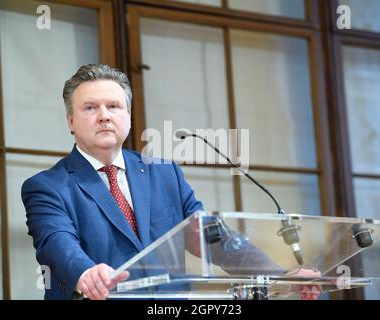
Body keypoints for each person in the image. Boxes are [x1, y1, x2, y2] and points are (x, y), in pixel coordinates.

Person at [22, 64, 320, 300]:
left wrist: (283, 276)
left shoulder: (164, 174)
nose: (104, 117)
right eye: (90, 108)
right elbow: (56, 243)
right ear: (71, 121)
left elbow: (213, 240)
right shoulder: (47, 186)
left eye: (113, 106)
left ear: (128, 115)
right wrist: (86, 274)